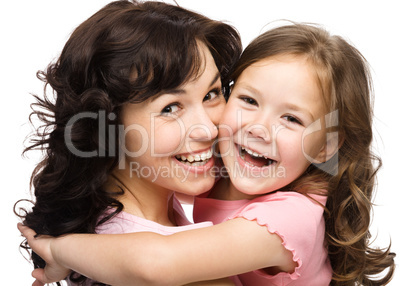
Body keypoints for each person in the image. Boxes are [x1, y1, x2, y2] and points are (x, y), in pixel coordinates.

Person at [19, 23, 396, 285]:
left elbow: (156, 263)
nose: (259, 128)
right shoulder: (224, 176)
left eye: (292, 118)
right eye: (248, 100)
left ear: (327, 144)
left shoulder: (289, 218)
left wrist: (59, 250)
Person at [15, 0, 242, 285]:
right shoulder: (144, 261)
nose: (208, 130)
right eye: (170, 108)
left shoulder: (119, 232)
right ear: (108, 125)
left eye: (211, 93)